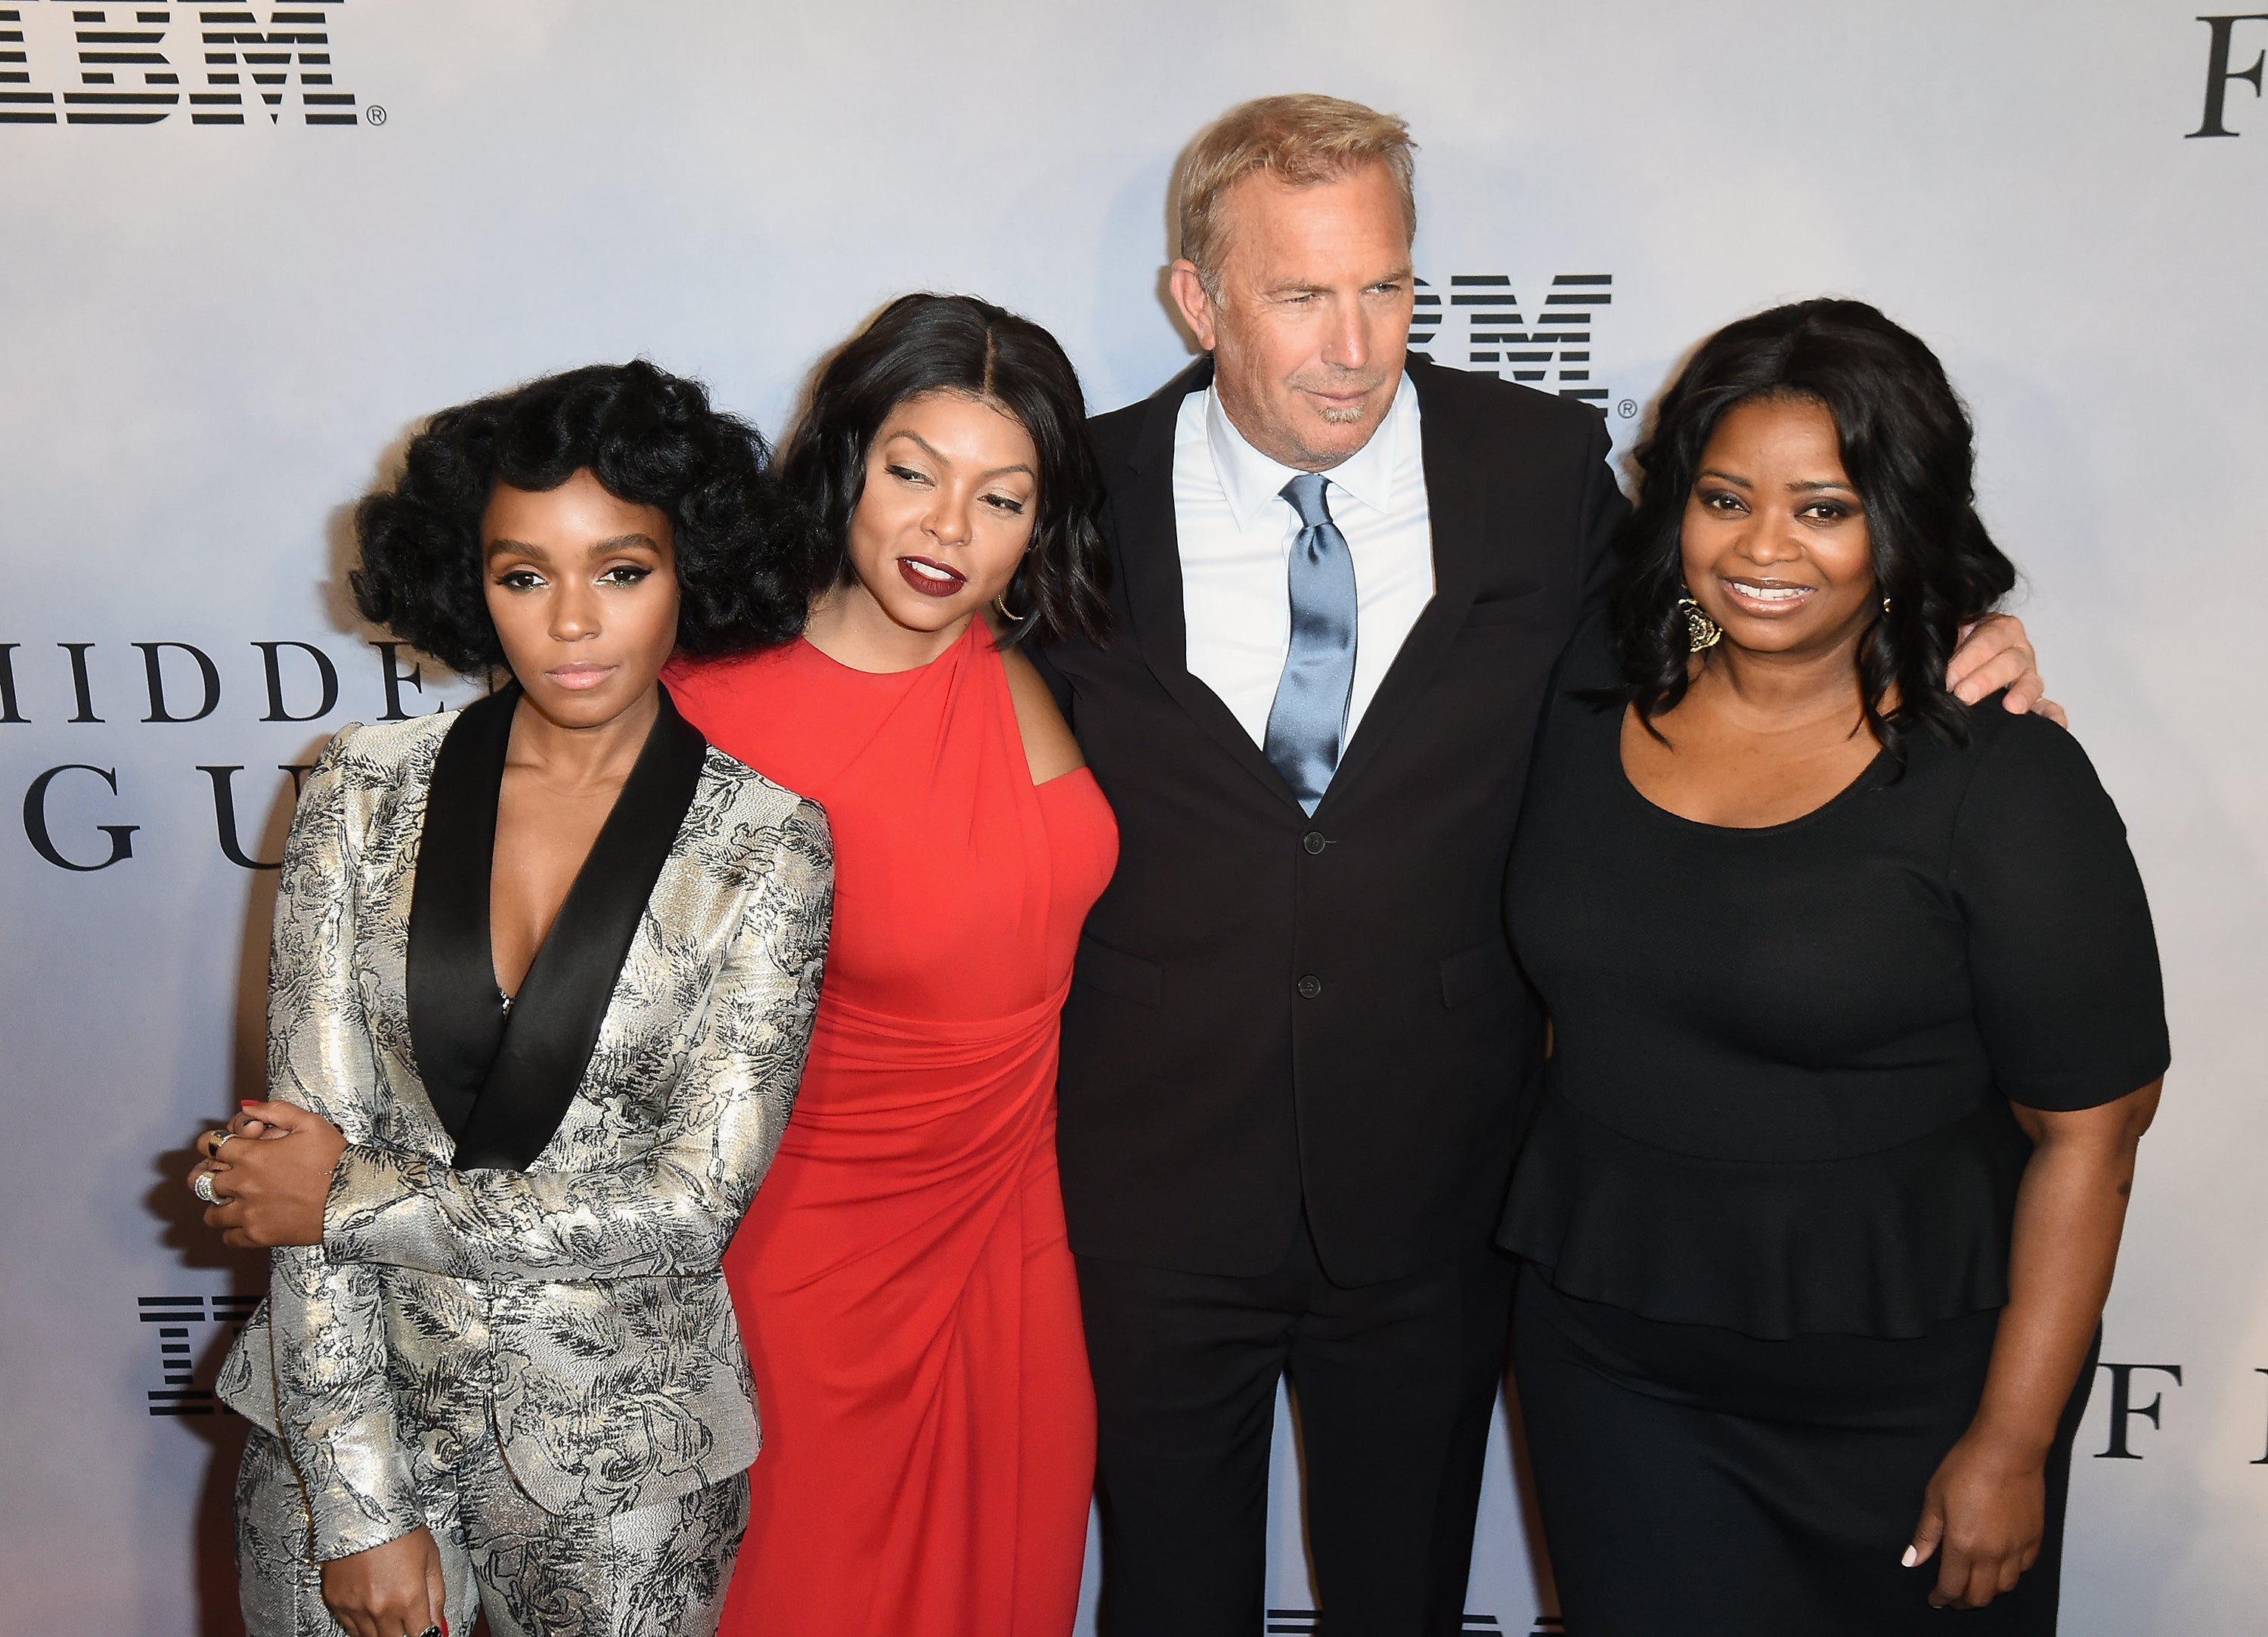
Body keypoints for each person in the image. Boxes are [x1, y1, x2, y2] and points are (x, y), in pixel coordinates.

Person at [1029, 95, 2053, 1636]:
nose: (1355, 344)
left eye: (1385, 286)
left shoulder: (1531, 460)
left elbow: (1705, 631)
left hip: (1441, 1180)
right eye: (1302, 295)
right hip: (1147, 1187)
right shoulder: (1075, 494)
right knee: (1167, 1602)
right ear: (1199, 298)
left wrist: (1935, 637)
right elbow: (914, 670)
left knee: (1404, 1599)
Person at [1496, 298, 2167, 1633]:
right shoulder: (1585, 694)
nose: (1760, 548)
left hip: (1909, 1411)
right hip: (1612, 1373)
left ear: (1898, 523)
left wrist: (2013, 1443)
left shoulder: (2001, 777)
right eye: (1724, 496)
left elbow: (2093, 1136)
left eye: (1822, 508)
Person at [183, 361, 835, 1637]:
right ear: (470, 583)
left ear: (690, 568)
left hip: (628, 1457)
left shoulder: (767, 842)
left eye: (623, 569)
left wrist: (352, 1192)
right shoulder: (361, 789)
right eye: (524, 575)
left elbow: (686, 1207)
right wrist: (362, 1504)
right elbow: (289, 1154)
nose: (574, 621)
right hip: (343, 1426)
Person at [664, 293, 1117, 1637]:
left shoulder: (1027, 667)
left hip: (1013, 1240)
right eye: (913, 473)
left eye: (1001, 497)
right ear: (846, 461)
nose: (947, 530)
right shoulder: (705, 710)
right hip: (803, 1268)